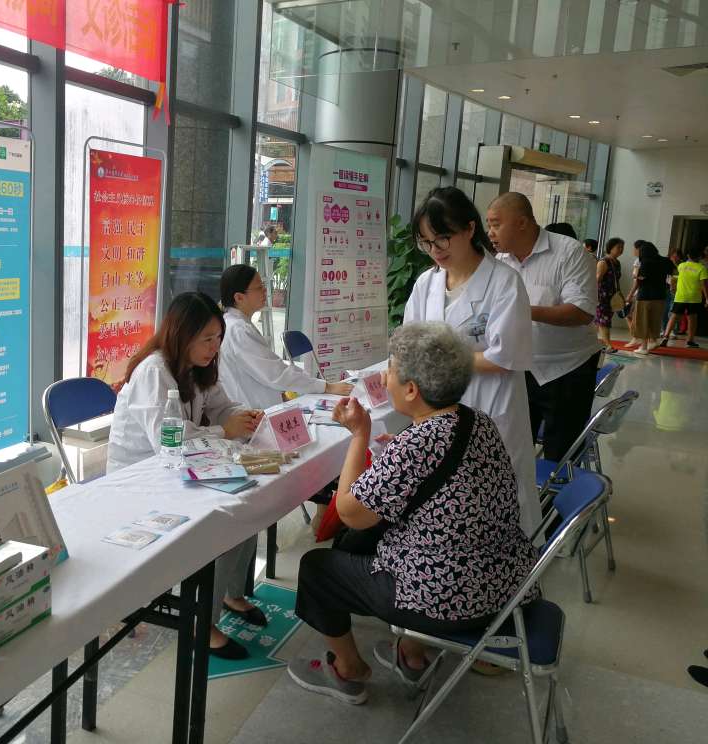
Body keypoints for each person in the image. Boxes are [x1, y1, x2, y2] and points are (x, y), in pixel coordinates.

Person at [286, 322, 539, 704]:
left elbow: (350, 510)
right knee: (365, 539)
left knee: (317, 569)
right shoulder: (476, 421)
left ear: (411, 390)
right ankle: (412, 653)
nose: (384, 377)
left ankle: (349, 668)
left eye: (390, 370)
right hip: (506, 583)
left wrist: (359, 434)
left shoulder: (419, 441)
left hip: (449, 598)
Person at [106, 291, 264, 660]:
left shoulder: (199, 367)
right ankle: (200, 621)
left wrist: (246, 416)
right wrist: (225, 431)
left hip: (183, 469)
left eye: (218, 337)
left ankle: (231, 593)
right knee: (223, 520)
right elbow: (168, 441)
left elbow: (224, 405)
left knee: (249, 504)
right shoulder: (153, 371)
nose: (214, 346)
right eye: (206, 338)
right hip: (141, 483)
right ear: (182, 334)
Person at [403, 187, 540, 538]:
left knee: (495, 495)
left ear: (469, 229)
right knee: (444, 500)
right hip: (437, 410)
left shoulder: (504, 282)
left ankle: (509, 570)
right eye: (426, 242)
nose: (435, 251)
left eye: (443, 238)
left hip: (491, 406)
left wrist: (443, 357)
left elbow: (506, 357)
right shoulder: (426, 284)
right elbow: (412, 342)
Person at [487, 192, 602, 463]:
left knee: (560, 453)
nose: (490, 233)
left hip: (566, 368)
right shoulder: (500, 262)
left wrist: (521, 311)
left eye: (495, 224)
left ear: (522, 223)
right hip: (519, 367)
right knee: (514, 447)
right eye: (488, 225)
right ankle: (524, 503)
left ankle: (559, 504)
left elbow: (582, 312)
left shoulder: (569, 253)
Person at [218, 264, 352, 409]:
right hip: (253, 414)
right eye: (258, 288)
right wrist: (327, 387)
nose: (265, 290)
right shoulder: (239, 330)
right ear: (239, 297)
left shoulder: (234, 324)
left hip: (254, 407)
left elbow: (263, 372)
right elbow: (275, 373)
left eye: (263, 285)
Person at [623, 241, 676, 355]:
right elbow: (673, 274)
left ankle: (643, 347)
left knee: (642, 321)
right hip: (661, 295)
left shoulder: (645, 263)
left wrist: (631, 293)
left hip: (645, 295)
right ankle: (654, 341)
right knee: (654, 320)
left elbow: (639, 280)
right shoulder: (665, 261)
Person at [661, 245, 708, 349]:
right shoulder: (702, 268)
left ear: (687, 255)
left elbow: (677, 274)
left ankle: (665, 336)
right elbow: (704, 285)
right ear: (700, 256)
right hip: (694, 298)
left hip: (680, 296)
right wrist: (707, 298)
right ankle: (690, 341)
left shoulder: (681, 266)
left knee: (674, 316)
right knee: (692, 319)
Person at [594, 237, 625, 353]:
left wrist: (620, 293)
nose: (621, 250)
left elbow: (616, 280)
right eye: (618, 247)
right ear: (610, 248)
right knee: (604, 321)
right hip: (602, 296)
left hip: (612, 296)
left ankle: (596, 342)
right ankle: (608, 345)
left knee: (602, 321)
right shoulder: (603, 262)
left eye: (622, 247)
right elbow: (597, 279)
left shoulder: (617, 263)